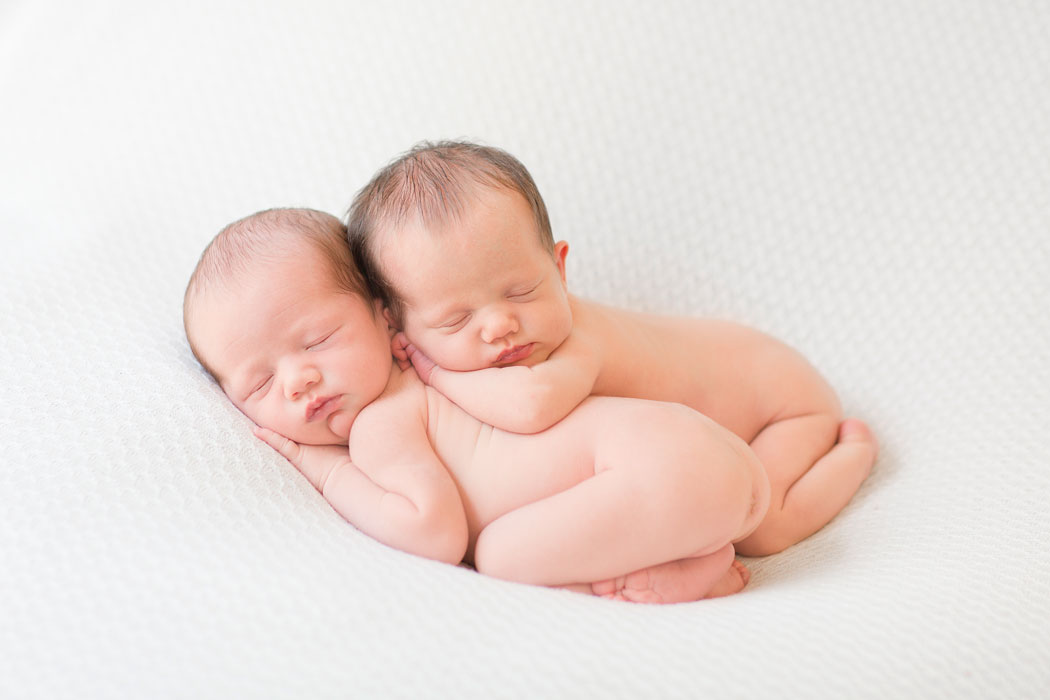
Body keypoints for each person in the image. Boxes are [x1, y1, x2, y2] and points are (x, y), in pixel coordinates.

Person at [183, 208, 771, 603]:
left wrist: (325, 468)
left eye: (317, 341)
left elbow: (433, 534)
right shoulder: (448, 365)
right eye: (258, 385)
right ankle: (700, 551)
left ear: (384, 313)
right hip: (694, 448)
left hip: (657, 471)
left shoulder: (383, 422)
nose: (297, 381)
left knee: (496, 556)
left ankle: (683, 567)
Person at [347, 140, 878, 557]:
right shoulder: (503, 347)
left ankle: (853, 454)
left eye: (521, 291)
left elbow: (533, 407)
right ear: (399, 331)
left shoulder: (579, 336)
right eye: (456, 319)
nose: (500, 325)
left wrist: (439, 372)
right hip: (707, 443)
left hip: (781, 402)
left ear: (559, 268)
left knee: (763, 527)